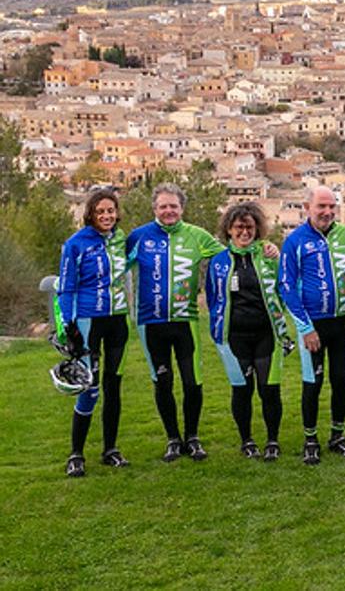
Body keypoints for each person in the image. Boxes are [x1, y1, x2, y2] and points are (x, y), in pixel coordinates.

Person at [127, 182, 231, 462]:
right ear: (154, 209)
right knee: (162, 381)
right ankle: (173, 438)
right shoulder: (138, 237)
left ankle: (193, 437)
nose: (169, 210)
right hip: (150, 323)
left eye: (173, 206)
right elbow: (113, 263)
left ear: (182, 208)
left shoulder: (197, 236)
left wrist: (264, 248)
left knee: (192, 381)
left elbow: (232, 253)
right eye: (163, 206)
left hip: (186, 322)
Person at [280, 186, 345, 465]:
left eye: (331, 207)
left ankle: (337, 436)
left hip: (342, 323)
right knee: (313, 381)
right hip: (313, 324)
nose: (327, 212)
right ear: (307, 207)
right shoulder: (295, 241)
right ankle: (310, 439)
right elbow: (287, 287)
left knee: (340, 379)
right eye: (321, 207)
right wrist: (304, 328)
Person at [206, 202, 291, 461]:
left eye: (250, 227)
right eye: (239, 227)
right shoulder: (218, 262)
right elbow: (213, 298)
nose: (245, 232)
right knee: (242, 390)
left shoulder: (268, 256)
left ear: (257, 229)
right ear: (229, 230)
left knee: (269, 390)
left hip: (267, 335)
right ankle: (247, 440)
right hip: (235, 338)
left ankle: (273, 440)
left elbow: (283, 289)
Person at [57, 188, 131, 477]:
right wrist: (69, 326)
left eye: (110, 211)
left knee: (114, 387)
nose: (106, 216)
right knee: (89, 387)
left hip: (118, 321)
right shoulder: (75, 244)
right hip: (88, 322)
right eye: (100, 211)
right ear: (90, 214)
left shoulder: (122, 239)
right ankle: (76, 454)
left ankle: (110, 450)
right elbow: (66, 287)